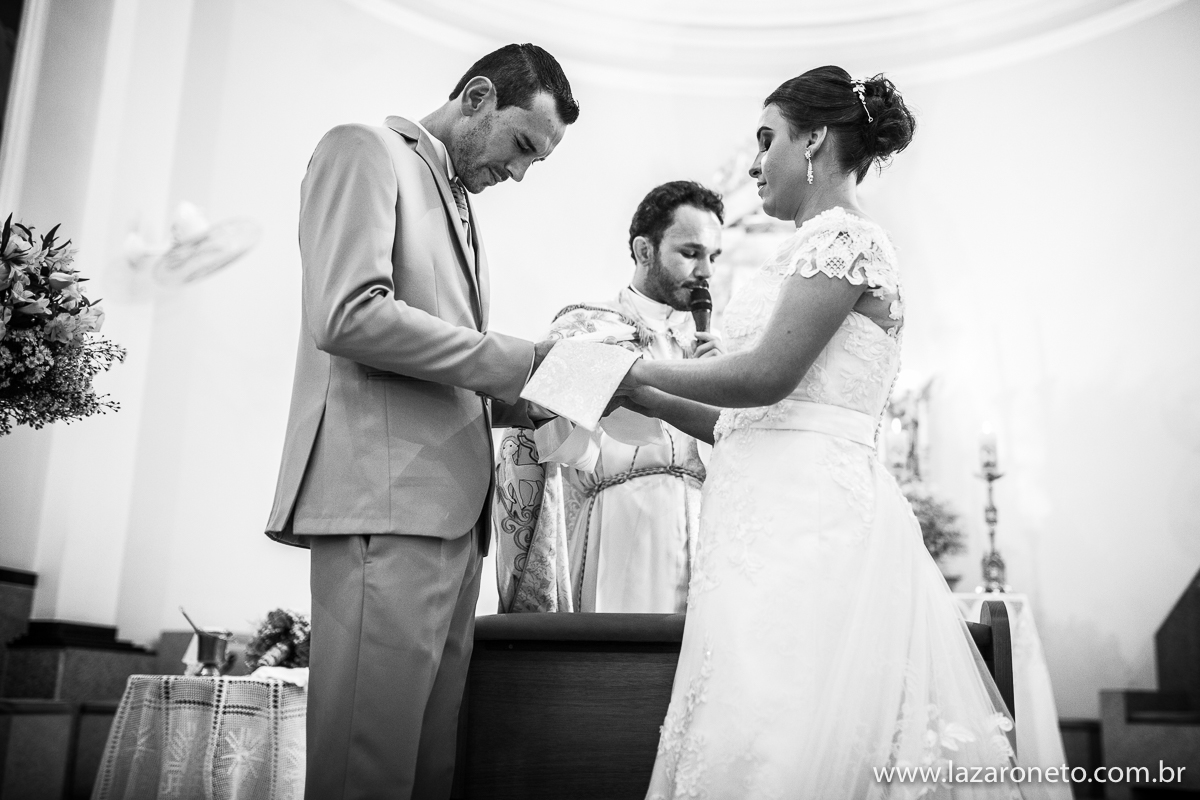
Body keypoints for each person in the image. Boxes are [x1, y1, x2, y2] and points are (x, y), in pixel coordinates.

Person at [616, 67, 1022, 797]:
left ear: (815, 140)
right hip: (758, 524)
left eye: (766, 139)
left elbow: (764, 377)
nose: (754, 163)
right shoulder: (800, 252)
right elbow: (739, 420)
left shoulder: (849, 241)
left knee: (791, 726)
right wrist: (637, 395)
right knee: (749, 719)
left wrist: (634, 374)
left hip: (809, 528)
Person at [263, 44, 578, 800]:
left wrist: (534, 396)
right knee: (364, 768)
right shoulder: (364, 150)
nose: (521, 172)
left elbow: (443, 371)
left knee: (426, 769)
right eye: (523, 145)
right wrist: (516, 360)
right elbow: (348, 315)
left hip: (452, 518)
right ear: (476, 98)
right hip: (386, 502)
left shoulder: (461, 205)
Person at [493, 181, 725, 614]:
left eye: (713, 256)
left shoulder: (712, 348)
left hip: (704, 526)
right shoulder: (590, 327)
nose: (706, 271)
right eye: (691, 253)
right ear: (644, 251)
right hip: (620, 523)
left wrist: (719, 382)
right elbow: (546, 431)